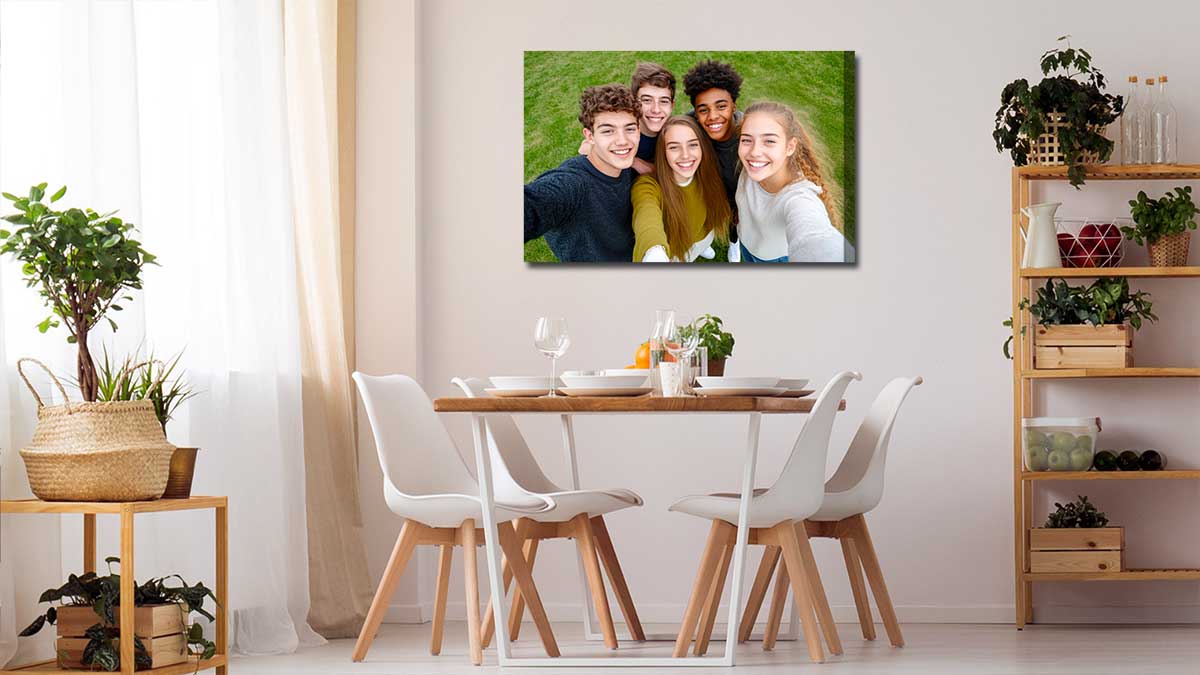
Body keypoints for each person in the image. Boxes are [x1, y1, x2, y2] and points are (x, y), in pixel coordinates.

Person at [524, 84, 640, 262]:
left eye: (630, 129)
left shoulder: (624, 167)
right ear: (590, 136)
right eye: (608, 131)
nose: (623, 141)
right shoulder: (572, 184)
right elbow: (533, 205)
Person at [735, 100, 854, 263]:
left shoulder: (798, 197)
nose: (754, 152)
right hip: (746, 245)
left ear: (790, 147)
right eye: (746, 140)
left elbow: (816, 237)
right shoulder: (753, 167)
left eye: (769, 141)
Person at [631, 115, 730, 262]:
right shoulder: (648, 186)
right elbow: (646, 215)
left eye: (692, 145)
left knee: (701, 243)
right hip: (678, 249)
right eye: (674, 147)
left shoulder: (706, 171)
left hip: (704, 235)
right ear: (663, 152)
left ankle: (701, 247)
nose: (685, 155)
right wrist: (654, 252)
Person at [683, 60, 745, 261]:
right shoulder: (689, 126)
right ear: (695, 111)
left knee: (736, 220)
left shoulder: (749, 131)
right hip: (708, 191)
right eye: (703, 110)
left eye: (721, 106)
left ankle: (734, 243)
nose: (713, 117)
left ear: (733, 105)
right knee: (705, 217)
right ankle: (704, 243)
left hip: (738, 191)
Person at [579, 62, 676, 176]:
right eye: (646, 100)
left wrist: (639, 163)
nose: (656, 110)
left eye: (664, 101)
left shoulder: (675, 132)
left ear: (672, 105)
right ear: (634, 102)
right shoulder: (619, 137)